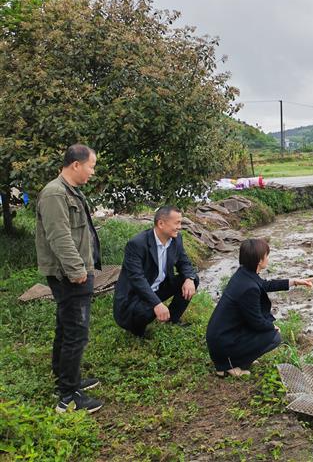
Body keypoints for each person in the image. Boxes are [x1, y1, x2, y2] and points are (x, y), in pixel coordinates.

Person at [36, 144, 103, 414]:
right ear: (76, 164)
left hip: (75, 270)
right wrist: (77, 271)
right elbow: (59, 237)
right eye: (91, 166)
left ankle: (65, 379)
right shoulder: (55, 193)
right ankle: (68, 396)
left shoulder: (70, 191)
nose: (92, 172)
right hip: (69, 274)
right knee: (77, 331)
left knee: (67, 327)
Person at [206, 238, 313, 376]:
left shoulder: (244, 274)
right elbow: (256, 322)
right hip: (224, 342)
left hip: (221, 336)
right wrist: (272, 327)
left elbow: (265, 285)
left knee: (268, 330)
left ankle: (239, 359)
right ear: (259, 261)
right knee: (274, 337)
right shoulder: (249, 288)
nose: (268, 258)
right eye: (266, 255)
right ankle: (228, 366)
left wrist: (295, 282)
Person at [113, 206, 199, 337]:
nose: (180, 227)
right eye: (177, 223)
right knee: (147, 310)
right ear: (161, 223)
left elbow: (184, 262)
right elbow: (137, 279)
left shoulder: (176, 239)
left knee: (192, 279)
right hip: (135, 296)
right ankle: (138, 331)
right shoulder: (137, 244)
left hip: (159, 287)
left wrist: (189, 279)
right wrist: (157, 304)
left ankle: (172, 320)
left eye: (180, 223)